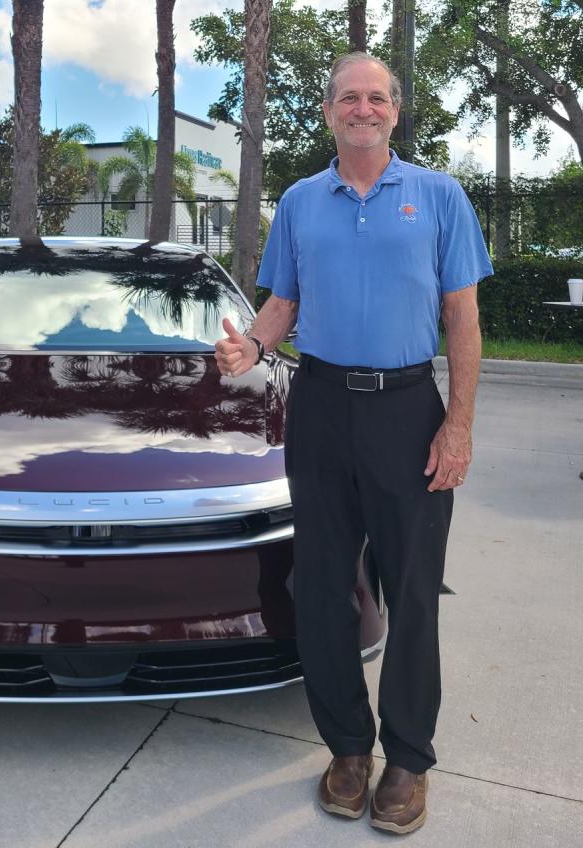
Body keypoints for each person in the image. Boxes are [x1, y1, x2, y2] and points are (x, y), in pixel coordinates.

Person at [215, 52, 492, 835]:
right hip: (322, 405)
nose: (362, 108)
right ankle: (346, 748)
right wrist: (252, 349)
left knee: (410, 591)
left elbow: (463, 321)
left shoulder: (438, 196)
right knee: (326, 590)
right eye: (348, 98)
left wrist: (458, 424)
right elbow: (281, 302)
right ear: (329, 112)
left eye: (376, 97)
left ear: (395, 113)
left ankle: (406, 759)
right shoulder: (301, 202)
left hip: (408, 410)